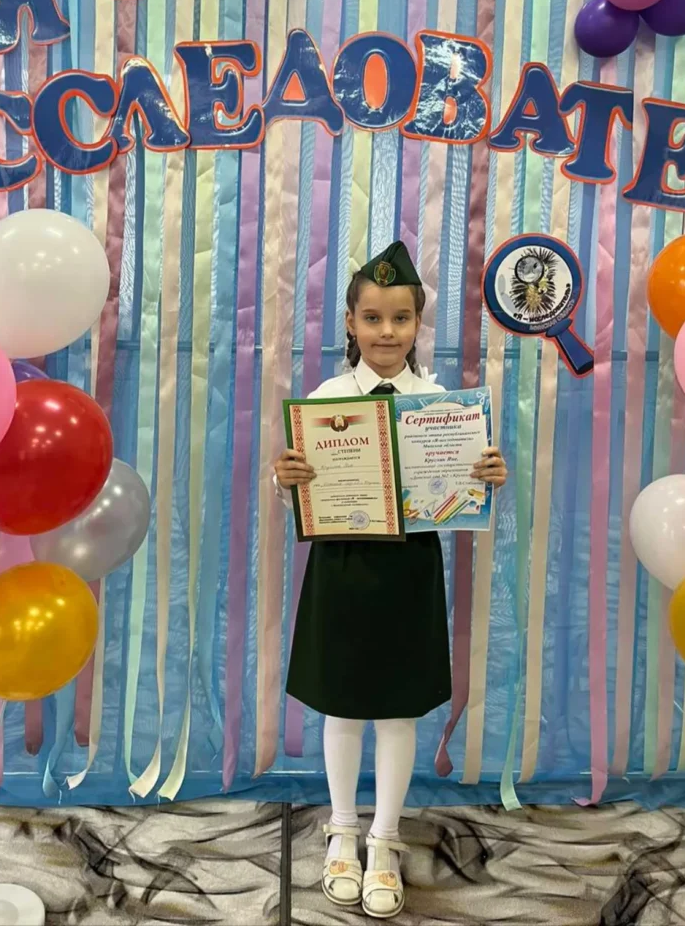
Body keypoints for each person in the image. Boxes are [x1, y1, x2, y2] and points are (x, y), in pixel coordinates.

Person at [274, 242, 508, 919]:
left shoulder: (439, 405)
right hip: (342, 568)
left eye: (400, 318)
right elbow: (296, 489)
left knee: (398, 709)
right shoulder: (326, 399)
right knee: (343, 705)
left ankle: (383, 841)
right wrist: (284, 478)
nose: (386, 332)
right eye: (372, 318)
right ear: (349, 323)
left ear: (416, 324)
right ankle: (342, 833)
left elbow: (459, 493)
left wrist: (484, 477)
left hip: (409, 571)